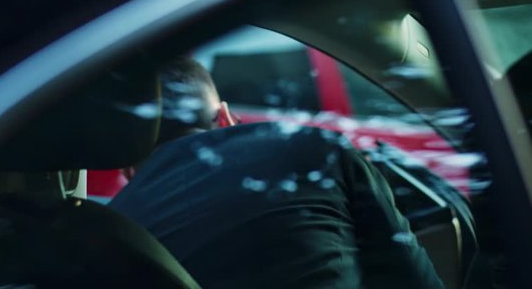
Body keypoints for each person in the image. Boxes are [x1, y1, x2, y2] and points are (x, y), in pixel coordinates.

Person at [109, 57, 444, 288]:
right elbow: (413, 277)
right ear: (225, 118)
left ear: (127, 166)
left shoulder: (113, 232)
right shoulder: (314, 149)